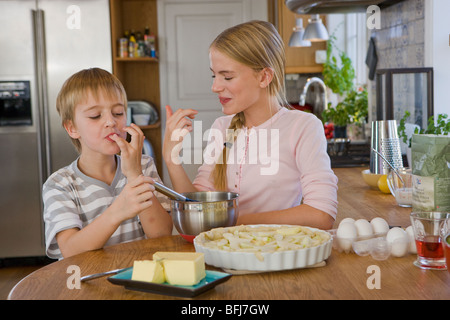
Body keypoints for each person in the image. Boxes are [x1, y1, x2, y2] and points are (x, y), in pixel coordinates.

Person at [163, 20, 338, 230]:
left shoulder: (302, 127)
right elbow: (197, 207)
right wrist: (172, 160)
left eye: (227, 76)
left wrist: (233, 221)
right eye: (214, 75)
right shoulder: (221, 127)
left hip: (276, 255)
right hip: (222, 255)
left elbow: (321, 214)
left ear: (264, 76)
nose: (215, 87)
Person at [43, 68, 172, 259]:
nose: (111, 122)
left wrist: (135, 175)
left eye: (118, 112)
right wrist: (117, 212)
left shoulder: (143, 165)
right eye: (96, 116)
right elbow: (70, 250)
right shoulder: (59, 185)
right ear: (72, 128)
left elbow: (161, 234)